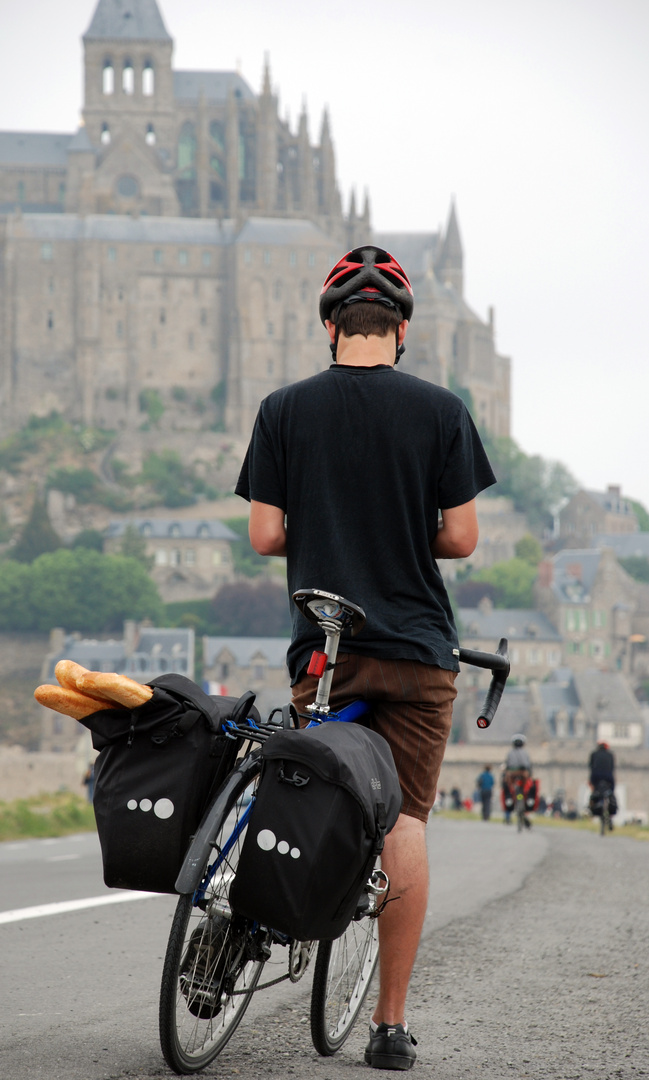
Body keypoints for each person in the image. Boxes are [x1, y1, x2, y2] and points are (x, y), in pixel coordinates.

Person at [235, 244, 496, 1071]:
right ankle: (387, 1024)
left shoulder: (283, 408)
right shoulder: (441, 410)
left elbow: (266, 534)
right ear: (403, 331)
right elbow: (460, 536)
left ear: (328, 326)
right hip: (418, 653)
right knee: (405, 819)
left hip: (327, 650)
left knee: (301, 784)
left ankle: (238, 934)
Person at [503, 734, 533, 829]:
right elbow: (529, 765)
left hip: (512, 773)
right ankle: (527, 798)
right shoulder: (525, 753)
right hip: (523, 773)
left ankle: (509, 798)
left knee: (507, 784)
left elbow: (507, 764)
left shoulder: (510, 753)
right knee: (528, 786)